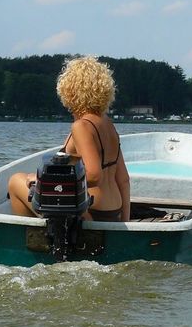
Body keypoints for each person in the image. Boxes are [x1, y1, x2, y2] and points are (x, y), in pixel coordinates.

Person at [8, 56, 130, 221]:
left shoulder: (82, 126)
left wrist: (41, 179)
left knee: (16, 181)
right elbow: (123, 179)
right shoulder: (108, 125)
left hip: (89, 212)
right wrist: (125, 222)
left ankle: (31, 240)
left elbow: (94, 175)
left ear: (70, 91)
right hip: (113, 210)